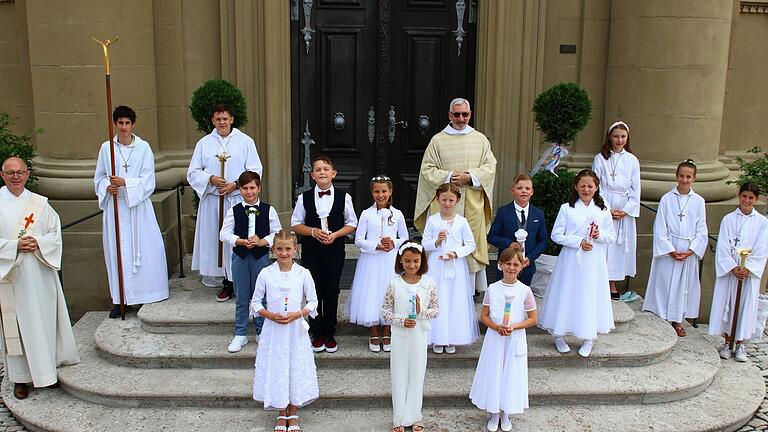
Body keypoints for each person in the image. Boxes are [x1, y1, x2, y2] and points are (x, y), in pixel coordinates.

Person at [0, 157, 80, 400]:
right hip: (12, 278)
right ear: (2, 175)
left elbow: (55, 235)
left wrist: (38, 242)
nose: (16, 177)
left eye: (20, 172)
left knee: (43, 322)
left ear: (26, 174)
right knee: (18, 328)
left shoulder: (40, 204)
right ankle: (21, 379)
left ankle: (46, 374)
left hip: (39, 273)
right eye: (10, 173)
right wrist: (13, 246)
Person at [94, 105, 170, 319]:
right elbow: (99, 177)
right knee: (117, 252)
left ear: (133, 124)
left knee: (145, 249)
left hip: (137, 208)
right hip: (115, 207)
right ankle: (121, 300)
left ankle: (146, 293)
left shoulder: (143, 148)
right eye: (120, 123)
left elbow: (149, 180)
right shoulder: (106, 149)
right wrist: (106, 187)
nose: (124, 127)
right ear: (115, 124)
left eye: (128, 123)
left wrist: (125, 183)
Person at [415, 97, 497, 293]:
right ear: (450, 115)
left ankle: (468, 290)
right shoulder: (438, 140)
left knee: (471, 243)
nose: (461, 118)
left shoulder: (480, 139)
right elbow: (427, 170)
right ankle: (439, 288)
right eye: (457, 114)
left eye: (465, 114)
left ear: (470, 115)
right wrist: (450, 176)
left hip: (472, 203)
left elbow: (490, 167)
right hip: (445, 202)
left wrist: (470, 177)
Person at [187, 103, 263, 302]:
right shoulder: (204, 143)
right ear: (213, 121)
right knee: (217, 242)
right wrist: (211, 179)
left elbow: (255, 170)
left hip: (237, 200)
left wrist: (236, 184)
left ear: (232, 120)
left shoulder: (245, 141)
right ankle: (225, 282)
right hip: (214, 201)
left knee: (237, 240)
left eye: (225, 118)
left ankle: (237, 281)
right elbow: (193, 173)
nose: (222, 122)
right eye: (218, 119)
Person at [538, 169, 616, 357]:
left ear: (596, 187)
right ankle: (559, 335)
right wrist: (577, 242)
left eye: (590, 186)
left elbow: (611, 236)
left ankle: (588, 337)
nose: (586, 189)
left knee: (589, 295)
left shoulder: (603, 210)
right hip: (571, 259)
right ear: (576, 187)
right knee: (567, 293)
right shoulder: (567, 208)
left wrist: (600, 235)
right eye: (583, 186)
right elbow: (556, 235)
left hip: (594, 260)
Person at [250, 230, 318, 432]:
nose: (284, 253)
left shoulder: (303, 273)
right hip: (274, 329)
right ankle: (281, 410)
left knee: (295, 364)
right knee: (278, 365)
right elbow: (255, 303)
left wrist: (298, 314)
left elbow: (313, 301)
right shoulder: (266, 273)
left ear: (295, 250)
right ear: (273, 249)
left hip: (295, 329)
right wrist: (270, 315)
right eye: (279, 249)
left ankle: (294, 408)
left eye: (288, 249)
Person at [291, 155, 357, 353]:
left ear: (333, 174)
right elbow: (295, 223)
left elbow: (352, 223)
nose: (322, 172)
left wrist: (336, 234)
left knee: (331, 290)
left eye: (326, 169)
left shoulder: (345, 197)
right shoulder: (304, 198)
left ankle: (329, 331)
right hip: (312, 251)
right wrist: (312, 231)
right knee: (314, 290)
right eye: (318, 169)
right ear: (312, 175)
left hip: (335, 251)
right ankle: (316, 331)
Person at [470, 244, 538, 432]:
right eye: (508, 264)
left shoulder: (525, 290)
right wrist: (496, 327)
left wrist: (513, 327)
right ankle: (493, 412)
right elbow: (484, 315)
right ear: (500, 265)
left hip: (514, 338)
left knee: (511, 373)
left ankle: (506, 412)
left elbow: (533, 319)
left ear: (522, 266)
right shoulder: (493, 289)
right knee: (495, 372)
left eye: (516, 264)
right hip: (495, 337)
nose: (511, 268)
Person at [643, 160, 708, 337]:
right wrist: (669, 249)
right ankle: (661, 318)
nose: (684, 180)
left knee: (683, 287)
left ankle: (677, 321)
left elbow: (702, 230)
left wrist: (691, 250)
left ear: (694, 178)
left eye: (688, 177)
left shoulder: (698, 201)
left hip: (687, 250)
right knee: (664, 283)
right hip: (669, 249)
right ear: (676, 176)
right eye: (681, 176)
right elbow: (660, 226)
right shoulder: (667, 198)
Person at [219, 171, 281, 353]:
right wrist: (238, 240)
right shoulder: (234, 210)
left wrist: (263, 241)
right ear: (240, 189)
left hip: (260, 257)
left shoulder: (269, 210)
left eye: (252, 187)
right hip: (240, 256)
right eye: (245, 188)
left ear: (259, 188)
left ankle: (262, 331)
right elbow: (224, 233)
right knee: (242, 296)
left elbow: (277, 233)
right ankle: (241, 333)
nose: (249, 191)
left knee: (261, 294)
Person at [380, 241, 439, 432]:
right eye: (407, 261)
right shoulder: (394, 283)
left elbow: (436, 309)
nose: (411, 265)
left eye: (415, 261)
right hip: (400, 335)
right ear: (400, 260)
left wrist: (421, 313)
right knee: (399, 373)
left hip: (419, 334)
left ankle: (415, 416)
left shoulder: (428, 283)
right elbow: (385, 310)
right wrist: (400, 320)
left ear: (421, 261)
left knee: (417, 373)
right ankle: (398, 417)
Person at [346, 175, 409, 352]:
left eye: (384, 191)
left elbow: (404, 236)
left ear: (390, 192)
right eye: (376, 191)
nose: (380, 195)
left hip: (390, 260)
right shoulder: (366, 214)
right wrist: (376, 245)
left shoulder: (397, 214)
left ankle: (388, 329)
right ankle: (374, 331)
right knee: (372, 293)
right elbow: (358, 239)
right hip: (372, 260)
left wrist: (394, 243)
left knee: (389, 293)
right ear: (372, 193)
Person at [708, 182, 768, 362]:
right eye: (744, 196)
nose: (747, 200)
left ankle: (741, 343)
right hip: (732, 271)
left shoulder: (762, 223)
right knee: (729, 304)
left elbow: (762, 248)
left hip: (748, 274)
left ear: (756, 199)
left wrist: (748, 268)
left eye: (751, 197)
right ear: (739, 196)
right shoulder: (728, 219)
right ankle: (728, 341)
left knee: (745, 306)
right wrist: (733, 267)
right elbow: (723, 246)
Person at [422, 183, 479, 353]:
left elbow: (470, 245)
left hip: (456, 267)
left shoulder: (462, 222)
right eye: (444, 200)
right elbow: (425, 243)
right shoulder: (432, 220)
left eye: (451, 200)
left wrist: (455, 253)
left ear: (457, 201)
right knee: (438, 299)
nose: (447, 204)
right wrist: (437, 242)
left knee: (454, 300)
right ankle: (438, 337)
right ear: (438, 200)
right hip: (436, 266)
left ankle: (452, 336)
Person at [591, 121, 640, 300]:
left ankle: (612, 283)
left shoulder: (632, 160)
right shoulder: (600, 158)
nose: (619, 140)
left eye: (623, 137)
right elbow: (596, 184)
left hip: (624, 206)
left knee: (618, 248)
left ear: (627, 139)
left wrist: (626, 210)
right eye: (616, 136)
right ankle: (600, 281)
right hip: (605, 204)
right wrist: (607, 208)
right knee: (604, 244)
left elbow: (636, 188)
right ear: (609, 138)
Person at [487, 174, 548, 285]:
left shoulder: (538, 214)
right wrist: (508, 243)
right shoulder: (503, 212)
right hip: (506, 267)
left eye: (527, 188)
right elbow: (491, 236)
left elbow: (543, 241)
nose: (524, 191)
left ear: (532, 192)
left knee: (522, 299)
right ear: (512, 190)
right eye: (519, 188)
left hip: (527, 267)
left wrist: (530, 258)